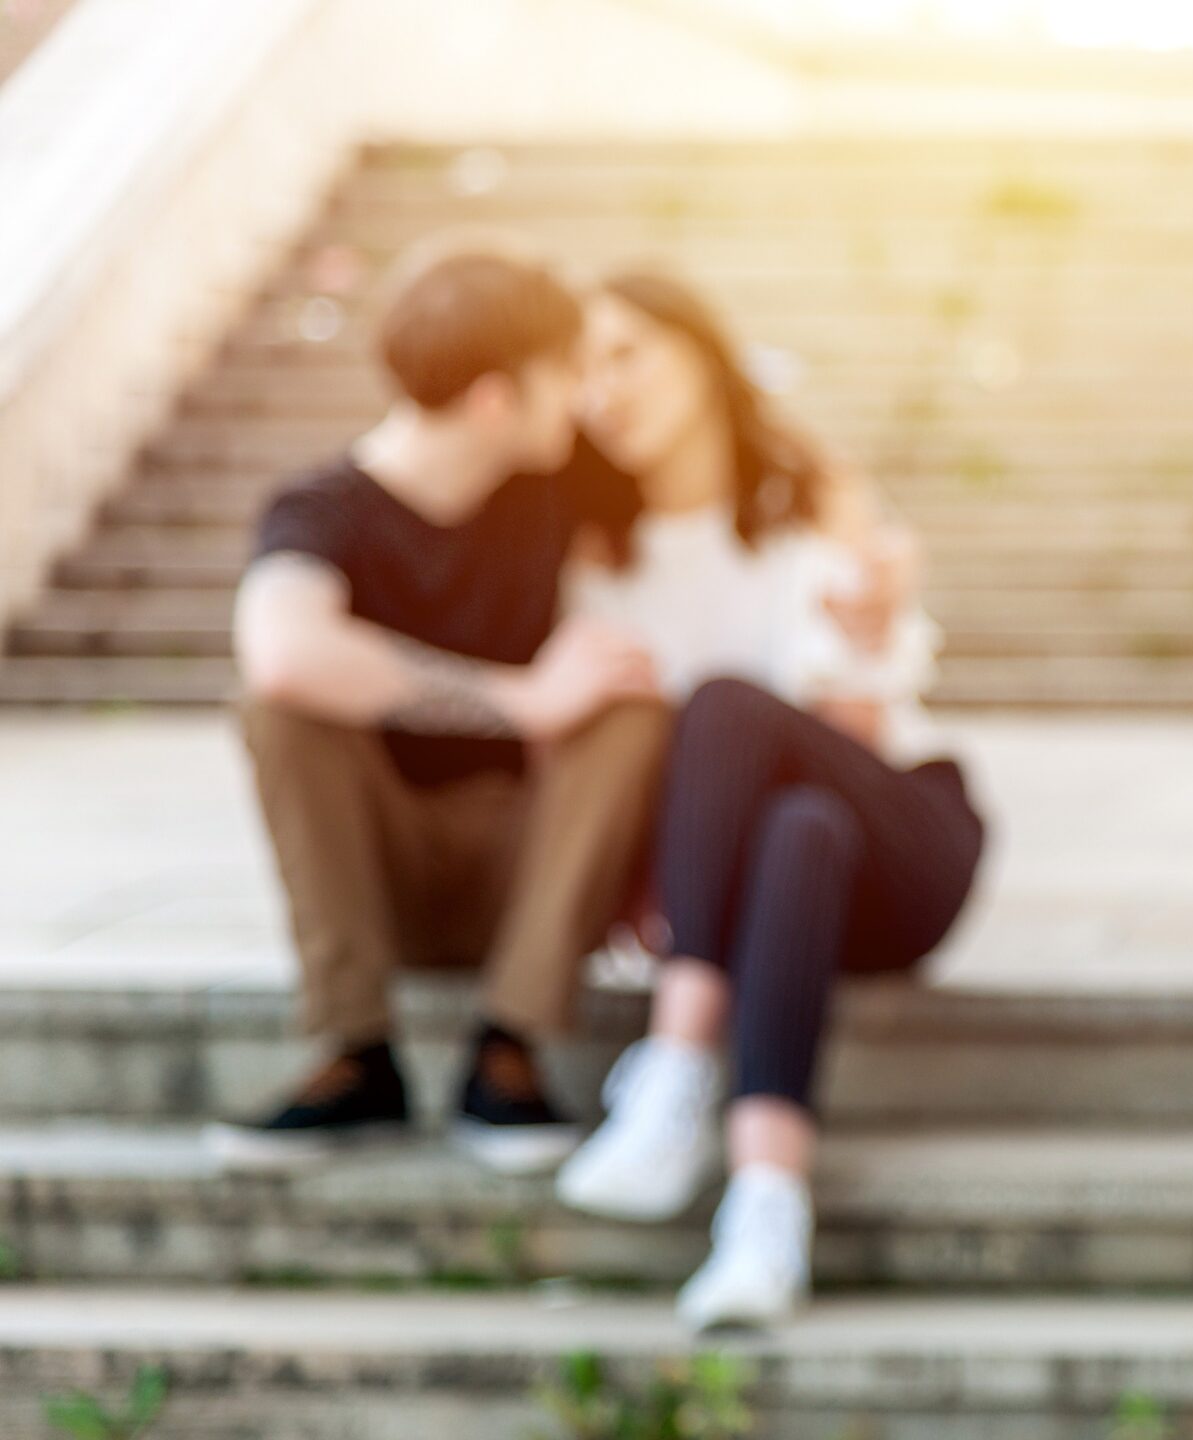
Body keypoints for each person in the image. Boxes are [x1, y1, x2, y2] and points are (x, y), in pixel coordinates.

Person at [546, 269, 988, 1333]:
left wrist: (868, 634)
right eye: (582, 371)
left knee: (731, 715)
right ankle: (764, 1212)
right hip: (773, 881)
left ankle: (677, 1058)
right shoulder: (588, 550)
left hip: (906, 844)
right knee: (797, 829)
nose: (604, 391)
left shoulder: (809, 497)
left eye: (627, 354)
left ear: (701, 354)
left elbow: (856, 737)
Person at [216, 242, 668, 1176]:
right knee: (280, 708)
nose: (586, 395)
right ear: (496, 398)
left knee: (629, 711)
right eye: (566, 374)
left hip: (526, 871)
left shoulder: (557, 481)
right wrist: (525, 700)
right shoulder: (317, 508)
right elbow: (283, 652)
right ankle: (355, 1053)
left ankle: (510, 1043)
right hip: (380, 872)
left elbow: (727, 458)